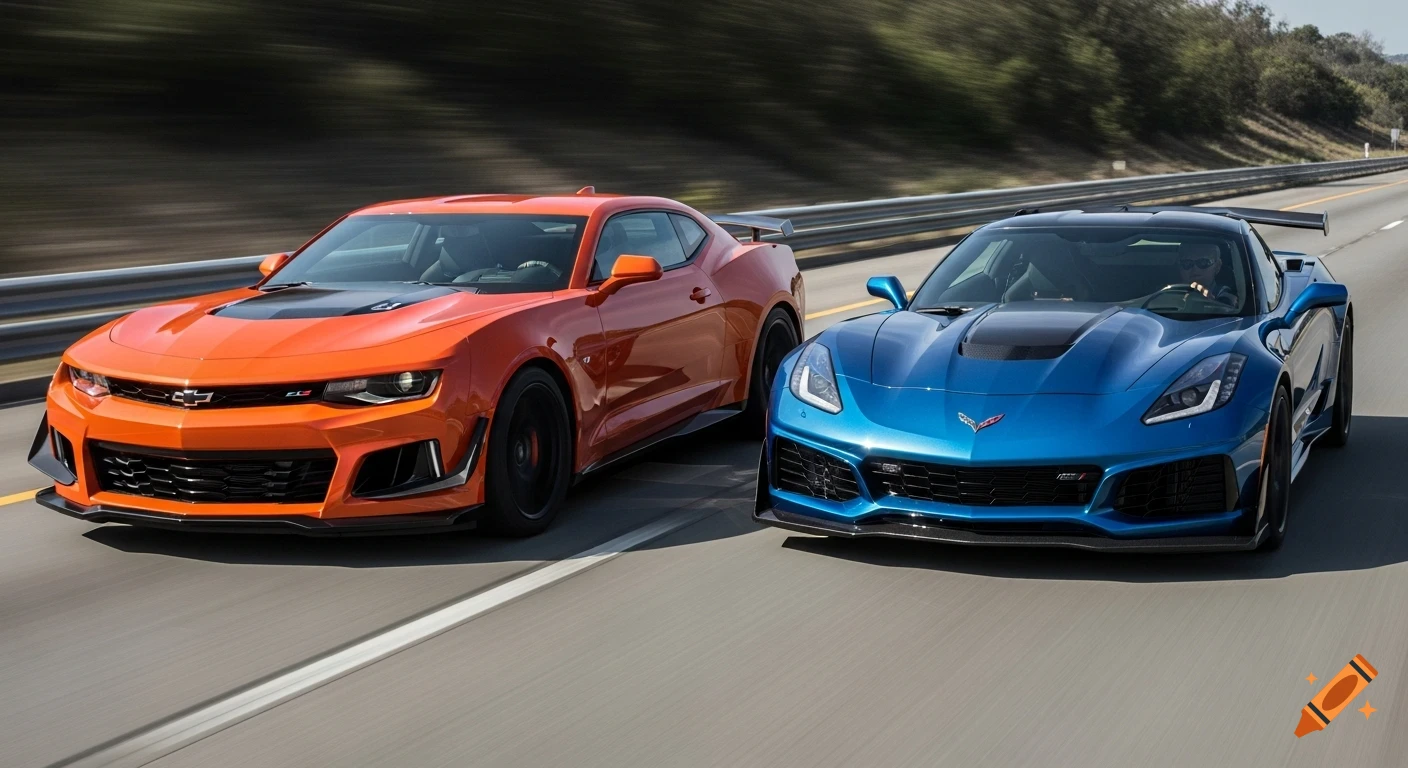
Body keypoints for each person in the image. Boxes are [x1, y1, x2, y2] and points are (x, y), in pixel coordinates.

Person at [1177, 242, 1238, 307]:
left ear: (1217, 266)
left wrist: (1215, 304)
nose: (1195, 269)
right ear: (1179, 267)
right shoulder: (1168, 295)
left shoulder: (1225, 297)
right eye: (1187, 263)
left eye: (1203, 262)